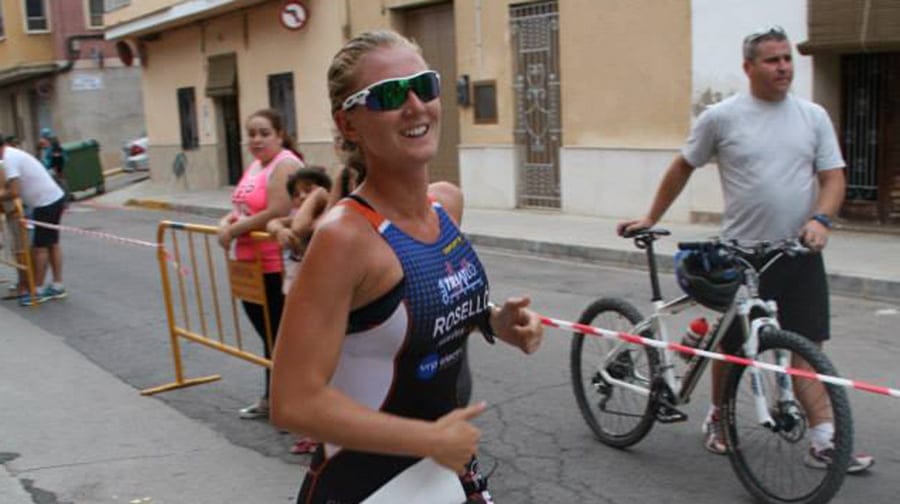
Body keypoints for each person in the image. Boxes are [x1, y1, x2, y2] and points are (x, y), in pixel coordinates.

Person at [270, 30, 543, 503]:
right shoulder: (345, 238)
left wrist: (494, 321)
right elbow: (292, 401)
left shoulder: (445, 206)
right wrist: (429, 440)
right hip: (366, 485)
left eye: (425, 85)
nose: (416, 105)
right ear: (349, 123)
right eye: (390, 95)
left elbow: (415, 308)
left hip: (442, 474)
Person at [618, 26, 873, 473]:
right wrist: (651, 217)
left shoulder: (812, 116)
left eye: (788, 58)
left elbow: (833, 176)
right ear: (748, 67)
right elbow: (683, 166)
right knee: (732, 350)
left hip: (798, 253)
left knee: (808, 347)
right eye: (773, 60)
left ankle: (824, 440)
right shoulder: (722, 117)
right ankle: (718, 418)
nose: (784, 67)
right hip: (742, 256)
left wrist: (821, 219)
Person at [217, 109, 303, 419]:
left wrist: (233, 230)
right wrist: (226, 220)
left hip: (274, 265)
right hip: (248, 265)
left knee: (279, 336)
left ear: (280, 135)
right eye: (251, 133)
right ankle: (273, 399)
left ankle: (290, 404)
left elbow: (277, 210)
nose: (256, 139)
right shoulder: (256, 165)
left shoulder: (286, 164)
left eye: (264, 133)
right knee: (270, 337)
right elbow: (241, 206)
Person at [0, 135, 67, 305]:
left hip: (46, 202)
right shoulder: (12, 154)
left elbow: (14, 192)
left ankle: (37, 290)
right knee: (52, 243)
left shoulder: (8, 159)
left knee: (40, 248)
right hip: (52, 198)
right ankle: (58, 285)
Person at [267, 166, 333, 297]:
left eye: (308, 191)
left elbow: (301, 228)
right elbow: (273, 222)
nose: (302, 196)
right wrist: (279, 231)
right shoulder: (296, 217)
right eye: (296, 195)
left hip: (320, 290)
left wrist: (315, 198)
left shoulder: (328, 216)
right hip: (294, 287)